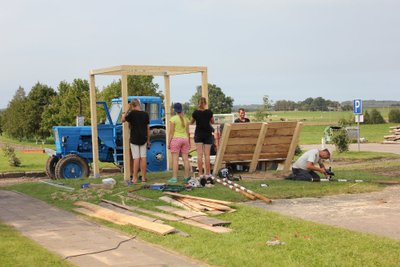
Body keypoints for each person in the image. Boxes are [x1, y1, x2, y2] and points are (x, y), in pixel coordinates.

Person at [122, 99, 150, 184]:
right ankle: (144, 178)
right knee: (143, 157)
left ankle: (134, 178)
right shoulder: (145, 114)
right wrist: (148, 140)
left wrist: (127, 109)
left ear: (132, 106)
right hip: (143, 138)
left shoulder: (132, 114)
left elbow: (123, 119)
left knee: (136, 158)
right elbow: (148, 128)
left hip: (134, 139)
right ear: (139, 105)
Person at [191, 97, 214, 179]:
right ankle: (207, 173)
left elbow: (191, 122)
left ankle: (200, 173)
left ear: (198, 103)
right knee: (207, 155)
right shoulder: (209, 112)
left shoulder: (195, 113)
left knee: (199, 155)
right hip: (208, 134)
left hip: (198, 134)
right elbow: (212, 121)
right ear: (205, 103)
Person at [168, 102, 191, 183]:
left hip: (176, 139)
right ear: (181, 109)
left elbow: (171, 132)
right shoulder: (186, 119)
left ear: (175, 110)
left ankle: (174, 178)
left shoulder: (173, 119)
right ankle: (186, 177)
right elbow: (188, 133)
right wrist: (189, 142)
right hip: (185, 139)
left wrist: (168, 143)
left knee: (175, 160)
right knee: (186, 159)